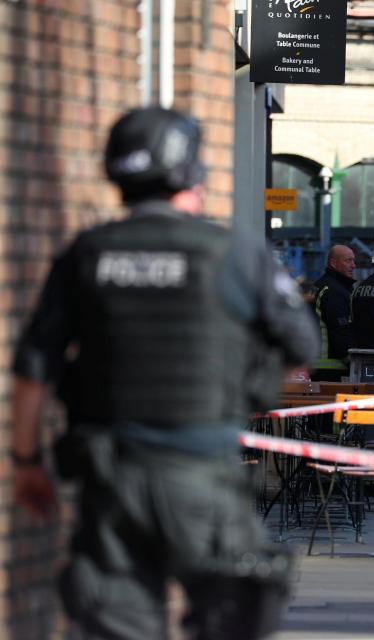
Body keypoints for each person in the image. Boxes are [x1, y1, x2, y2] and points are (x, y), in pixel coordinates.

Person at [10, 107, 319, 639]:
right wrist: (246, 384)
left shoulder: (88, 254)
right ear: (191, 178)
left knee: (115, 623)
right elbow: (300, 345)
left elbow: (32, 372)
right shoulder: (231, 253)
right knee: (235, 610)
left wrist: (26, 462)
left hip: (111, 478)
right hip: (201, 472)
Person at [310, 244, 356, 381]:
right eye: (348, 261)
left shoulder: (319, 285)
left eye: (353, 261)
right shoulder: (334, 292)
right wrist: (353, 363)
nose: (353, 265)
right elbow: (340, 332)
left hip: (314, 366)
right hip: (331, 369)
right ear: (333, 263)